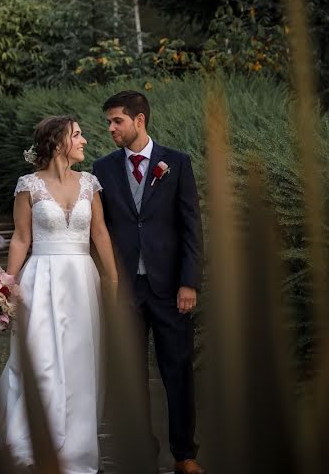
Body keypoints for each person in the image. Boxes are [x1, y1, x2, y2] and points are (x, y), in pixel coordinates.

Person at [0, 115, 119, 474]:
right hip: (41, 279)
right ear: (58, 142)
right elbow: (21, 238)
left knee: (80, 361)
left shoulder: (90, 183)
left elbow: (100, 234)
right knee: (43, 360)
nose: (83, 140)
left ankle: (75, 451)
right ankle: (34, 441)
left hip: (82, 280)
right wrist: (6, 285)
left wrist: (112, 280)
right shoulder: (28, 185)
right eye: (77, 135)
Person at [91, 91, 205, 474]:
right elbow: (99, 229)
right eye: (108, 122)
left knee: (178, 371)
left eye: (116, 121)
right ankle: (143, 450)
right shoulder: (102, 169)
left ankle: (184, 453)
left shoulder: (177, 163)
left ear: (139, 121)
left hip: (171, 289)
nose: (110, 129)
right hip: (126, 290)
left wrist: (189, 283)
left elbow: (192, 229)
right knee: (132, 375)